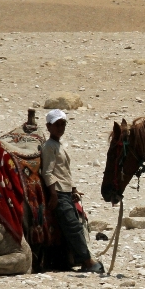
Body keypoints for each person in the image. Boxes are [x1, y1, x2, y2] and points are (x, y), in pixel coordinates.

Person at [41, 109, 104, 274]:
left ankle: (81, 259)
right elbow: (48, 172)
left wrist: (73, 188)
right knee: (73, 226)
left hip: (66, 191)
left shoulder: (58, 145)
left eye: (63, 124)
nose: (61, 127)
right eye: (57, 125)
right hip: (59, 193)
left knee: (76, 224)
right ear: (48, 127)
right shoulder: (49, 147)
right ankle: (87, 261)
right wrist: (54, 194)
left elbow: (63, 170)